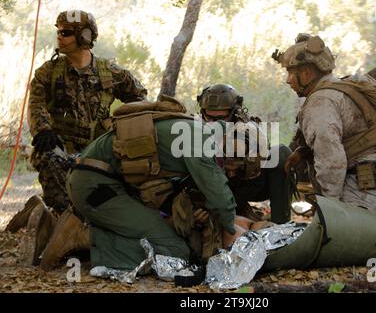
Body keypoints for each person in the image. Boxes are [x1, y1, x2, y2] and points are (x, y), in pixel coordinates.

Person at [37, 96, 245, 271]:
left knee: (158, 232)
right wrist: (230, 230)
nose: (229, 165)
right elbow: (219, 194)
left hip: (99, 183)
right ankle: (82, 237)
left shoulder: (191, 128)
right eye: (232, 155)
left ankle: (77, 230)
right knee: (174, 251)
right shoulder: (200, 140)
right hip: (97, 186)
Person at [272, 33, 376, 259]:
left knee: (335, 240)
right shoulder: (341, 87)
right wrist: (304, 151)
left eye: (290, 73)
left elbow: (331, 161)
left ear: (306, 73)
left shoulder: (320, 101)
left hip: (368, 183)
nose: (288, 80)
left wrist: (330, 211)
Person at [26, 10, 148, 216]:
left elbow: (139, 99)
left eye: (65, 33)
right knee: (48, 156)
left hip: (100, 148)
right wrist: (43, 130)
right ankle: (65, 218)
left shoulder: (110, 71)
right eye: (58, 32)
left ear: (85, 37)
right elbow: (36, 104)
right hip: (63, 148)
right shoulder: (48, 72)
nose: (59, 37)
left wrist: (121, 126)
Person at [197, 84, 294, 224]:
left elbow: (255, 170)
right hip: (212, 189)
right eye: (210, 118)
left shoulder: (248, 130)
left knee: (281, 152)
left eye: (221, 118)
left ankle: (281, 224)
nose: (215, 124)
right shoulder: (195, 127)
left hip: (249, 185)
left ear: (234, 112)